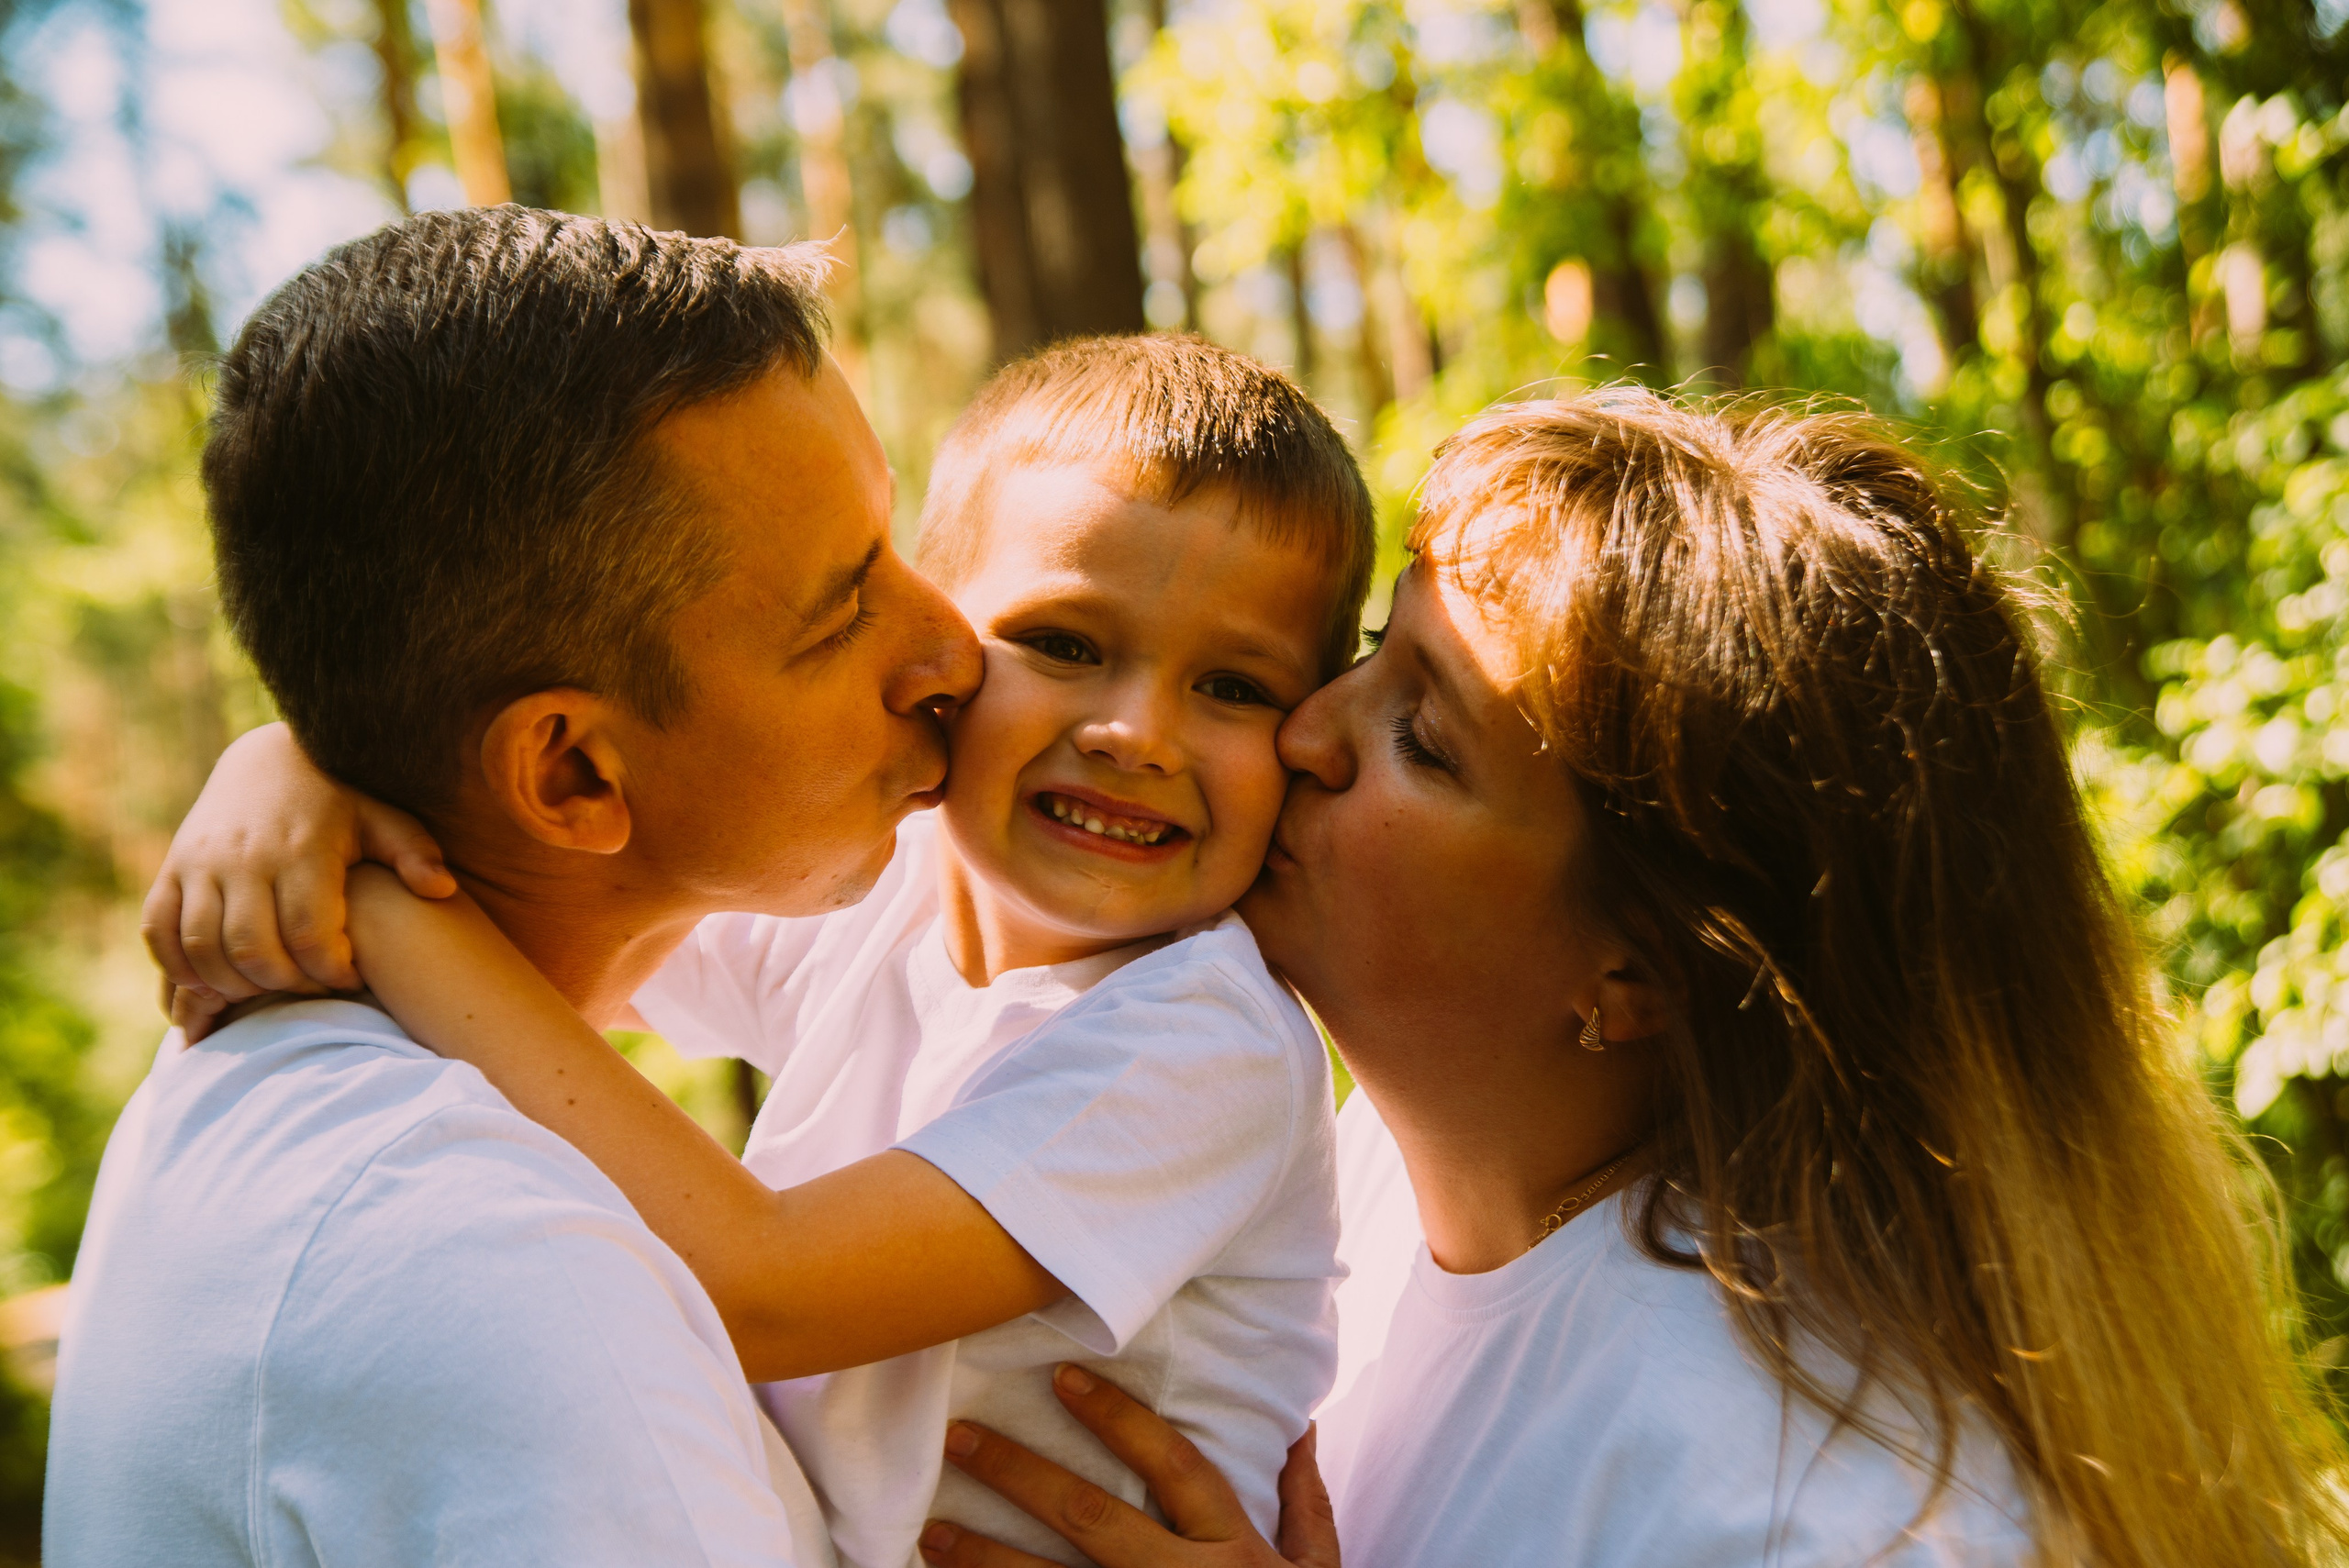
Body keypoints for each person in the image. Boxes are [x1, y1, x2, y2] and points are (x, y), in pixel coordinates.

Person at [913, 390, 2349, 1568]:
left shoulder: (1832, 1507)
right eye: (1368, 653)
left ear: (1643, 968)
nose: (1304, 732)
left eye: (1427, 735)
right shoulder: (1334, 1171)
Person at [150, 336, 1376, 1568]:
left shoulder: (1203, 1038)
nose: (1137, 733)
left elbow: (763, 1290)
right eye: (1063, 642)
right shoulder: (892, 897)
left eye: (1235, 686)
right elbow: (558, 903)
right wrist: (290, 764)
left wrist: (383, 907)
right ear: (944, 647)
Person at [46, 206, 983, 1565]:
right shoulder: (506, 1277)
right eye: (842, 613)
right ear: (572, 779)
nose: (953, 646)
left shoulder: (281, 1092)